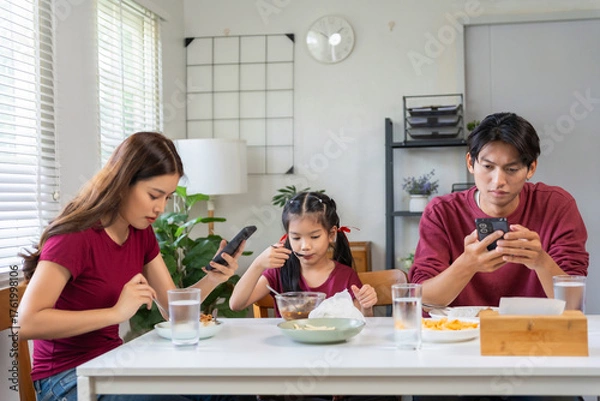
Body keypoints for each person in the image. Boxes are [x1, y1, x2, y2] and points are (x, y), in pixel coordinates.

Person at [17, 132, 246, 401]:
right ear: (123, 183)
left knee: (230, 390)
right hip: (66, 379)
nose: (160, 208)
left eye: (167, 198)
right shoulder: (74, 236)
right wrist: (116, 312)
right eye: (153, 195)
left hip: (115, 363)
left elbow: (172, 310)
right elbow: (25, 323)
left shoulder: (140, 232)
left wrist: (214, 278)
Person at [409, 112, 589, 309]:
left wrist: (540, 261)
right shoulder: (441, 213)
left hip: (535, 332)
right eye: (488, 166)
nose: (498, 181)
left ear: (531, 168)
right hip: (459, 333)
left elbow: (573, 304)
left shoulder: (556, 206)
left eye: (511, 169)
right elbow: (423, 301)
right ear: (471, 163)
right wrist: (467, 264)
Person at [230, 191, 377, 317]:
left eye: (314, 237)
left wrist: (367, 306)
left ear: (331, 234)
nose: (305, 246)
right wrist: (258, 264)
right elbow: (236, 304)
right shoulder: (279, 272)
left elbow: (360, 321)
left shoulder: (346, 276)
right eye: (296, 238)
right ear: (287, 237)